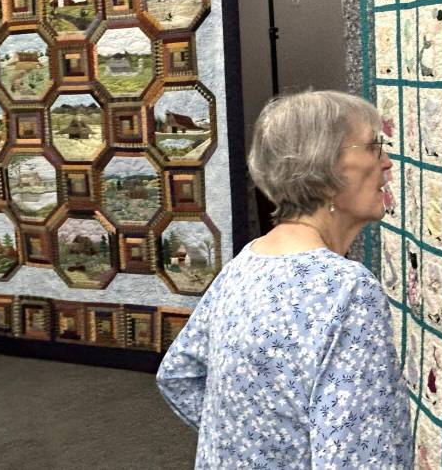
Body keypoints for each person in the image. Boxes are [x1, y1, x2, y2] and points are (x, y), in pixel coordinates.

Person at [156, 90, 413, 468]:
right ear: (325, 169)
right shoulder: (347, 290)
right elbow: (359, 457)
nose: (387, 163)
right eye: (374, 147)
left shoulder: (245, 265)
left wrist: (253, 449)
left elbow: (179, 375)